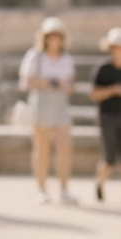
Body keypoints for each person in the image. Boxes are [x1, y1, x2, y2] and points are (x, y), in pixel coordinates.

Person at [19, 16, 77, 204]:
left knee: (64, 148)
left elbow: (71, 85)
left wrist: (58, 84)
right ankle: (41, 188)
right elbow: (26, 82)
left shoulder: (66, 59)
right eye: (50, 35)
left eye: (57, 35)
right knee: (42, 148)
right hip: (41, 103)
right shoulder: (35, 56)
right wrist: (49, 82)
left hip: (60, 104)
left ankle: (64, 188)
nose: (54, 39)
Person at [90, 27, 121, 207]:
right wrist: (113, 90)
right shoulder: (103, 69)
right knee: (109, 158)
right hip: (107, 116)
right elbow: (94, 94)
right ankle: (100, 183)